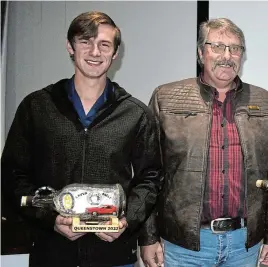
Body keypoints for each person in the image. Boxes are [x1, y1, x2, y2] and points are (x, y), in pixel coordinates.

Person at [0, 11, 163, 267]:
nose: (94, 52)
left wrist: (128, 219)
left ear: (115, 53)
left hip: (114, 256)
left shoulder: (136, 114)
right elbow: (12, 175)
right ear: (70, 47)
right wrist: (49, 218)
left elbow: (150, 179)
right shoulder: (37, 107)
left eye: (104, 44)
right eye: (85, 41)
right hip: (51, 254)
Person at [138, 18, 268, 267]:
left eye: (235, 48)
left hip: (244, 247)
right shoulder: (166, 98)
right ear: (200, 52)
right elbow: (149, 174)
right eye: (217, 46)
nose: (227, 56)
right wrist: (148, 237)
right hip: (183, 247)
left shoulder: (266, 102)